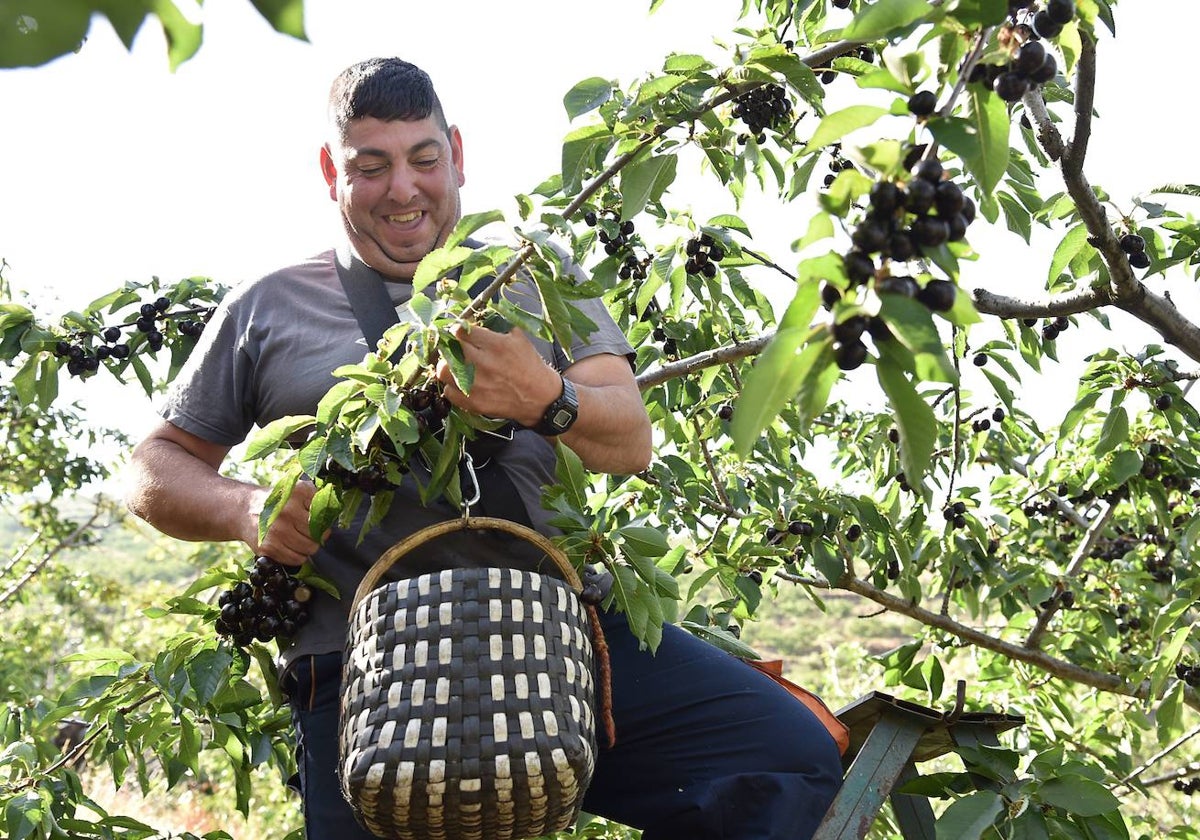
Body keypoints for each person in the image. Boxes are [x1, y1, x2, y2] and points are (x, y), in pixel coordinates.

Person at [125, 57, 843, 839]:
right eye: (371, 166)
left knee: (781, 756)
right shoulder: (267, 306)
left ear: (457, 154)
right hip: (364, 670)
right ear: (332, 170)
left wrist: (548, 398)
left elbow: (630, 437)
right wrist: (243, 508)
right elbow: (154, 466)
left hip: (557, 638)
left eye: (423, 160)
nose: (403, 189)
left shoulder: (534, 278)